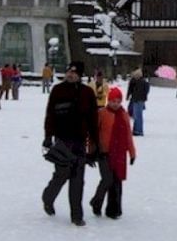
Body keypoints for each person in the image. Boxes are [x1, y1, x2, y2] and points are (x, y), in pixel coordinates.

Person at [42, 61, 99, 227]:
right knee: (62, 174)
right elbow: (50, 114)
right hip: (62, 140)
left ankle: (76, 215)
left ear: (80, 75)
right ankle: (48, 197)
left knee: (78, 178)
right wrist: (48, 136)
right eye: (68, 71)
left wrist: (95, 144)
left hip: (80, 140)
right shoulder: (58, 90)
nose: (70, 74)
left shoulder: (87, 93)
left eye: (74, 72)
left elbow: (93, 120)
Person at [90, 86, 136, 220]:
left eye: (118, 101)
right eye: (113, 101)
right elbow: (93, 134)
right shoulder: (102, 113)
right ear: (108, 101)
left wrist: (132, 153)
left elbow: (128, 136)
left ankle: (114, 210)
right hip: (103, 152)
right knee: (107, 179)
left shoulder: (124, 115)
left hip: (119, 153)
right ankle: (96, 202)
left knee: (116, 182)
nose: (115, 104)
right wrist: (91, 151)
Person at [126, 69, 149, 136]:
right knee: (137, 115)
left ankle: (138, 130)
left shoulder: (138, 82)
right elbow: (146, 90)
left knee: (137, 116)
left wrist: (128, 96)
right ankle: (136, 130)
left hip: (137, 100)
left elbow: (131, 89)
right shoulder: (142, 81)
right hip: (138, 100)